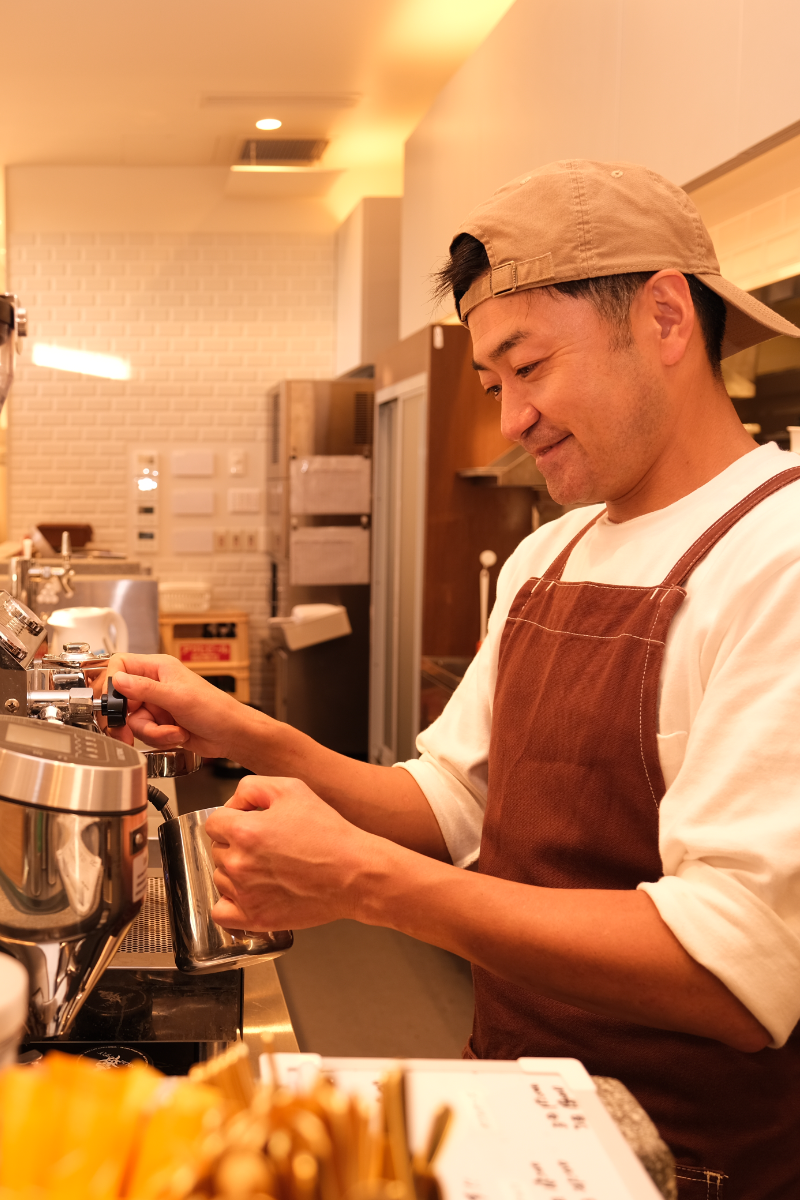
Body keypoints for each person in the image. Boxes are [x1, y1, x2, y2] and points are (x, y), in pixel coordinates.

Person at [105, 161, 800, 1199]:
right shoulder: (550, 555)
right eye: (492, 385)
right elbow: (452, 803)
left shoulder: (777, 556)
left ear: (664, 317)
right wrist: (243, 731)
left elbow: (733, 967)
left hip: (683, 1166)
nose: (511, 419)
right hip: (522, 1112)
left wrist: (364, 883)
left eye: (530, 367)